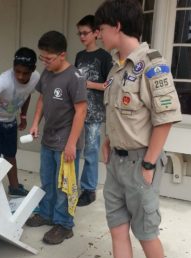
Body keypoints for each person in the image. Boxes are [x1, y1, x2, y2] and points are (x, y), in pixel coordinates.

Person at [95, 0, 182, 258]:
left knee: (145, 231)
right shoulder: (115, 70)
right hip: (117, 164)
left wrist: (149, 162)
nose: (99, 34)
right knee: (118, 229)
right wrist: (108, 139)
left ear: (118, 26)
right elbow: (118, 114)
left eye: (102, 29)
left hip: (140, 162)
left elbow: (165, 117)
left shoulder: (152, 65)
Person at [25, 31, 87, 245]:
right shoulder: (47, 73)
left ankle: (64, 224)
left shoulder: (75, 77)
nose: (45, 62)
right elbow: (42, 99)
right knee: (48, 180)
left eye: (49, 59)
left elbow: (81, 112)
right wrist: (35, 123)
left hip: (66, 142)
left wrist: (71, 145)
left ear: (62, 55)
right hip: (49, 139)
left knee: (65, 185)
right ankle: (47, 213)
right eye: (42, 58)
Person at [0, 47, 40, 196]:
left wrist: (23, 116)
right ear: (13, 67)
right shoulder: (4, 81)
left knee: (11, 155)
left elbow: (27, 94)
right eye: (17, 71)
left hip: (10, 121)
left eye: (25, 73)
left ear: (33, 70)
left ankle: (14, 187)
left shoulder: (36, 77)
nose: (21, 76)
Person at [75, 15, 112, 207]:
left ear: (96, 33)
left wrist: (88, 84)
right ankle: (72, 185)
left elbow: (110, 85)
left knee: (91, 151)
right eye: (79, 33)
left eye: (85, 33)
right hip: (78, 111)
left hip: (95, 113)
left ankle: (89, 189)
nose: (82, 36)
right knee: (75, 148)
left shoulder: (104, 57)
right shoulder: (80, 56)